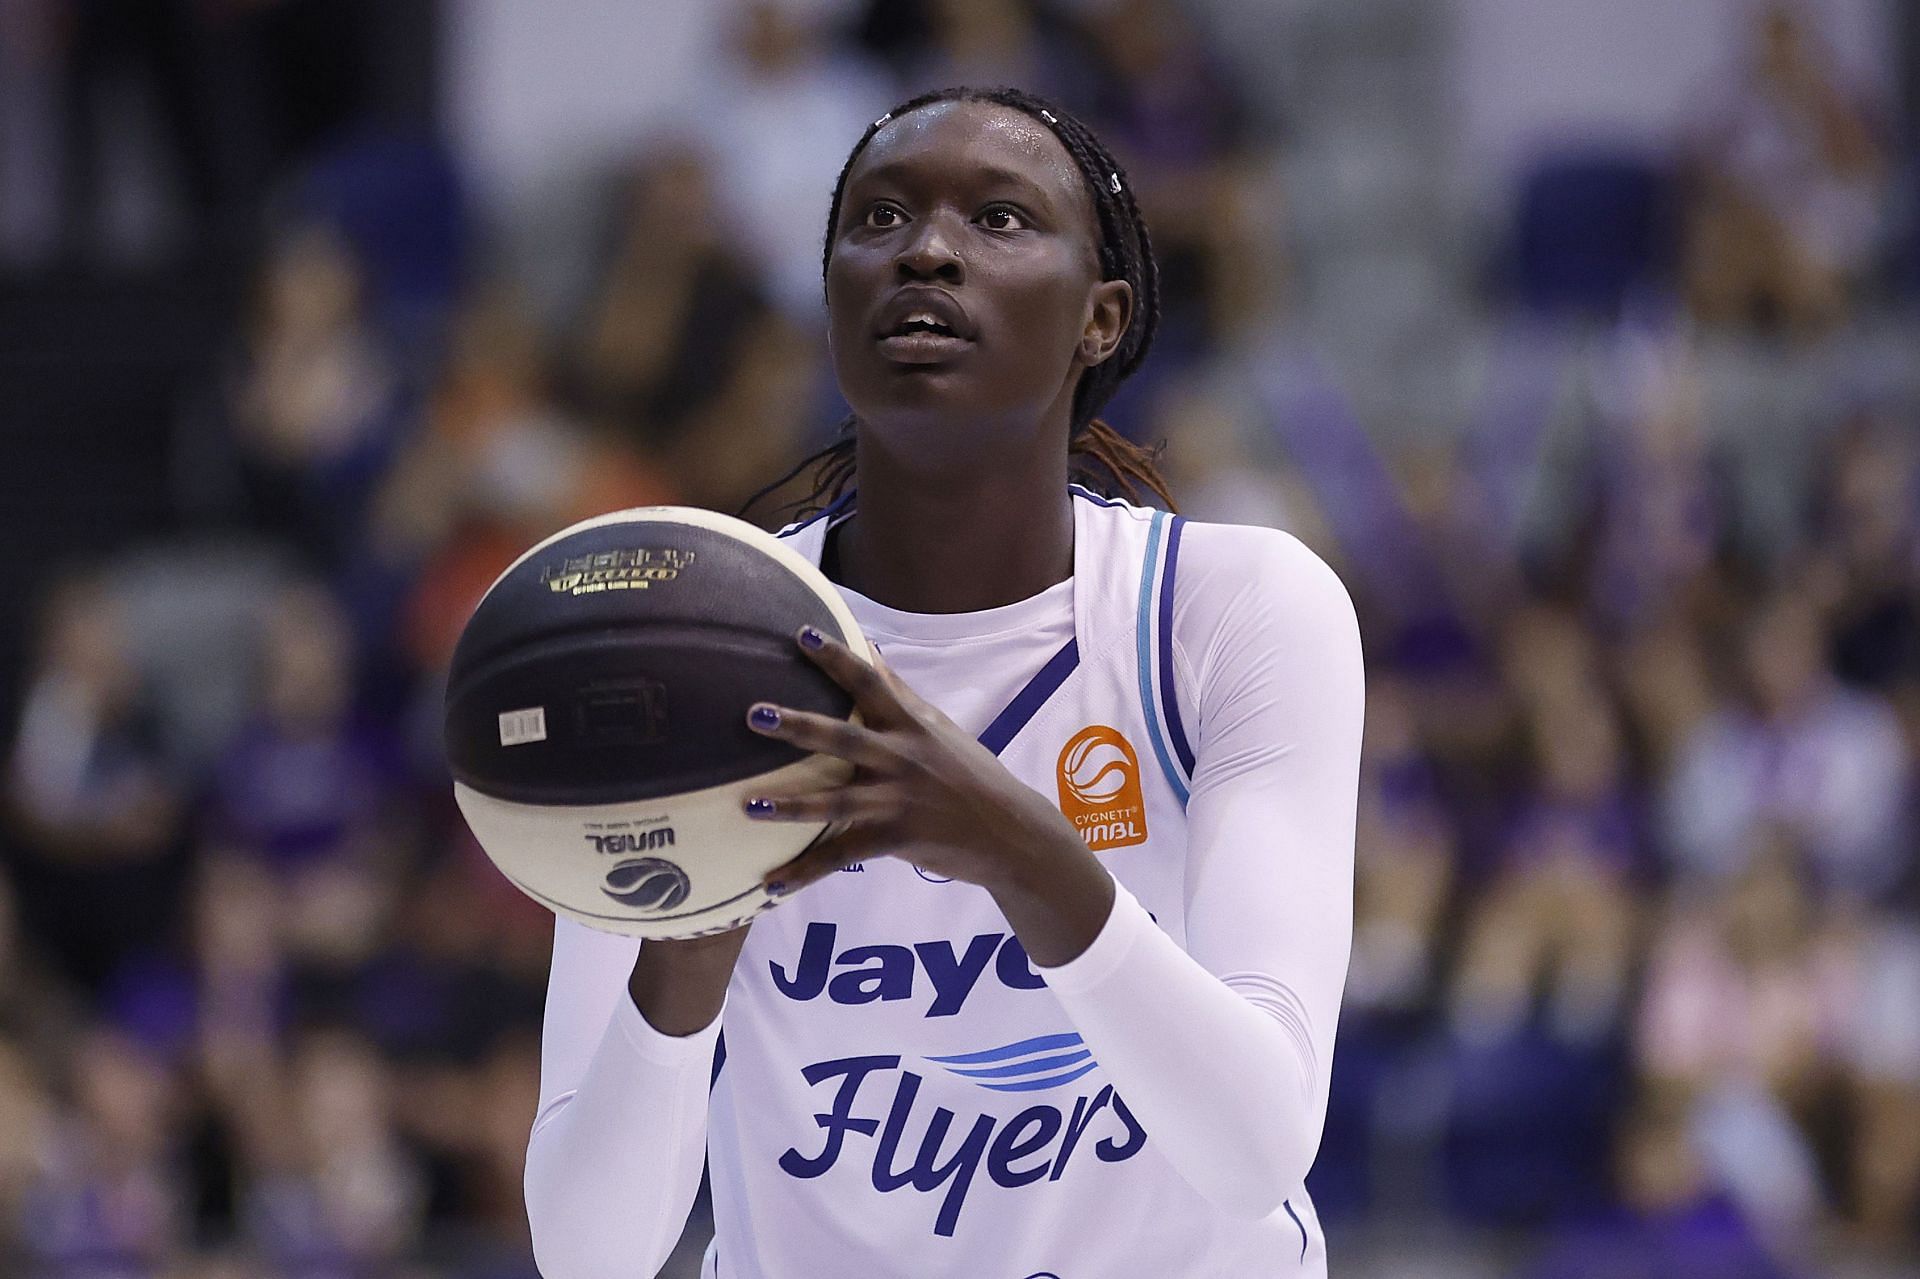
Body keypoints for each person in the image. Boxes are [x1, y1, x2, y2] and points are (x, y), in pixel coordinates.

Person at [521, 87, 1364, 1278]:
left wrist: (1016, 846)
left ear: (1102, 318)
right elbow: (586, 1253)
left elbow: (1259, 1146)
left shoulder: (1227, 609)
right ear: (832, 307)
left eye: (1002, 220)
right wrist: (689, 939)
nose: (926, 247)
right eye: (879, 220)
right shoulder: (684, 654)